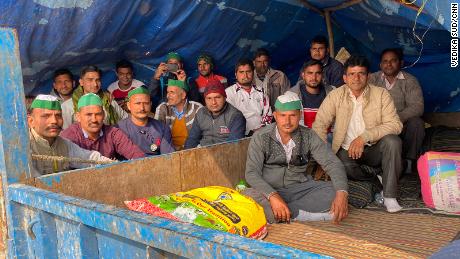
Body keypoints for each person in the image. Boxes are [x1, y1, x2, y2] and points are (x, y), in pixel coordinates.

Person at [313, 56, 404, 213]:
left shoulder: (381, 94)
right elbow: (319, 124)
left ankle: (390, 196)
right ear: (344, 78)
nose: (356, 78)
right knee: (343, 166)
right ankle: (377, 181)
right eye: (352, 74)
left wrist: (364, 137)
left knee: (393, 141)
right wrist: (322, 156)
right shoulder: (335, 96)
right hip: (347, 150)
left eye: (361, 73)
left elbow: (396, 125)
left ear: (368, 76)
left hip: (375, 147)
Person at [243, 92, 348, 224]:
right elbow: (252, 173)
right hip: (267, 190)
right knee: (247, 196)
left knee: (334, 190)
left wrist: (342, 193)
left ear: (300, 116)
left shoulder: (309, 136)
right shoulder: (261, 137)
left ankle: (283, 214)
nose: (287, 121)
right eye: (282, 115)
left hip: (298, 189)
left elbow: (333, 163)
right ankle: (297, 214)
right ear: (275, 116)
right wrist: (273, 196)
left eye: (292, 115)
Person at [368, 48, 425, 171]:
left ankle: (409, 162)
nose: (388, 64)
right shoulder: (372, 79)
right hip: (378, 124)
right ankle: (379, 163)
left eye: (393, 61)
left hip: (401, 123)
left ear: (401, 63)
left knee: (417, 123)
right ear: (380, 64)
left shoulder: (410, 81)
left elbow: (417, 107)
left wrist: (395, 119)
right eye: (385, 61)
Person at [28, 95, 112, 175]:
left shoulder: (64, 144)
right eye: (46, 116)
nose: (54, 121)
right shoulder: (24, 148)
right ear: (31, 121)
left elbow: (90, 159)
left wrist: (115, 166)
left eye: (58, 115)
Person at [61, 93, 145, 160]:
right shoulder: (69, 136)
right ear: (78, 117)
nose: (94, 119)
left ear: (104, 115)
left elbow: (136, 155)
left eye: (98, 114)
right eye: (88, 115)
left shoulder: (113, 133)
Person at [61, 65, 128, 129]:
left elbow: (125, 119)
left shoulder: (108, 100)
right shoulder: (67, 106)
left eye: (97, 80)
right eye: (90, 80)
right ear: (81, 82)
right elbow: (65, 134)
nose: (95, 84)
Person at [184, 83, 246, 148]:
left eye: (217, 97)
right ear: (204, 100)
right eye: (209, 98)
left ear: (225, 98)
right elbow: (192, 139)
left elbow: (233, 145)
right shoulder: (201, 113)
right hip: (203, 152)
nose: (213, 102)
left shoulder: (236, 116)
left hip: (226, 153)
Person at [117, 87, 175, 156]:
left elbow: (168, 157)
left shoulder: (162, 128)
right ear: (129, 105)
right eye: (138, 103)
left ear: (151, 104)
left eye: (146, 103)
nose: (142, 108)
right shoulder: (118, 129)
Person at [226, 58, 272, 136]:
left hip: (262, 133)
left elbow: (268, 114)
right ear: (236, 75)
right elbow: (228, 118)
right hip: (239, 134)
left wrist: (260, 130)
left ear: (253, 73)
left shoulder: (261, 91)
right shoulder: (228, 93)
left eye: (248, 72)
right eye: (241, 72)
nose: (245, 75)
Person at [154, 79, 203, 150]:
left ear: (183, 95)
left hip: (193, 150)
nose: (168, 96)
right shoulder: (163, 108)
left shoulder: (197, 108)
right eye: (167, 92)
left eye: (172, 92)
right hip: (169, 151)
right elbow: (157, 134)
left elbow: (204, 135)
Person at [288, 60, 334, 128]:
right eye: (310, 73)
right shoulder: (291, 96)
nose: (314, 78)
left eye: (318, 73)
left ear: (322, 75)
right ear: (303, 75)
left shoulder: (333, 93)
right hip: (302, 136)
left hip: (328, 136)